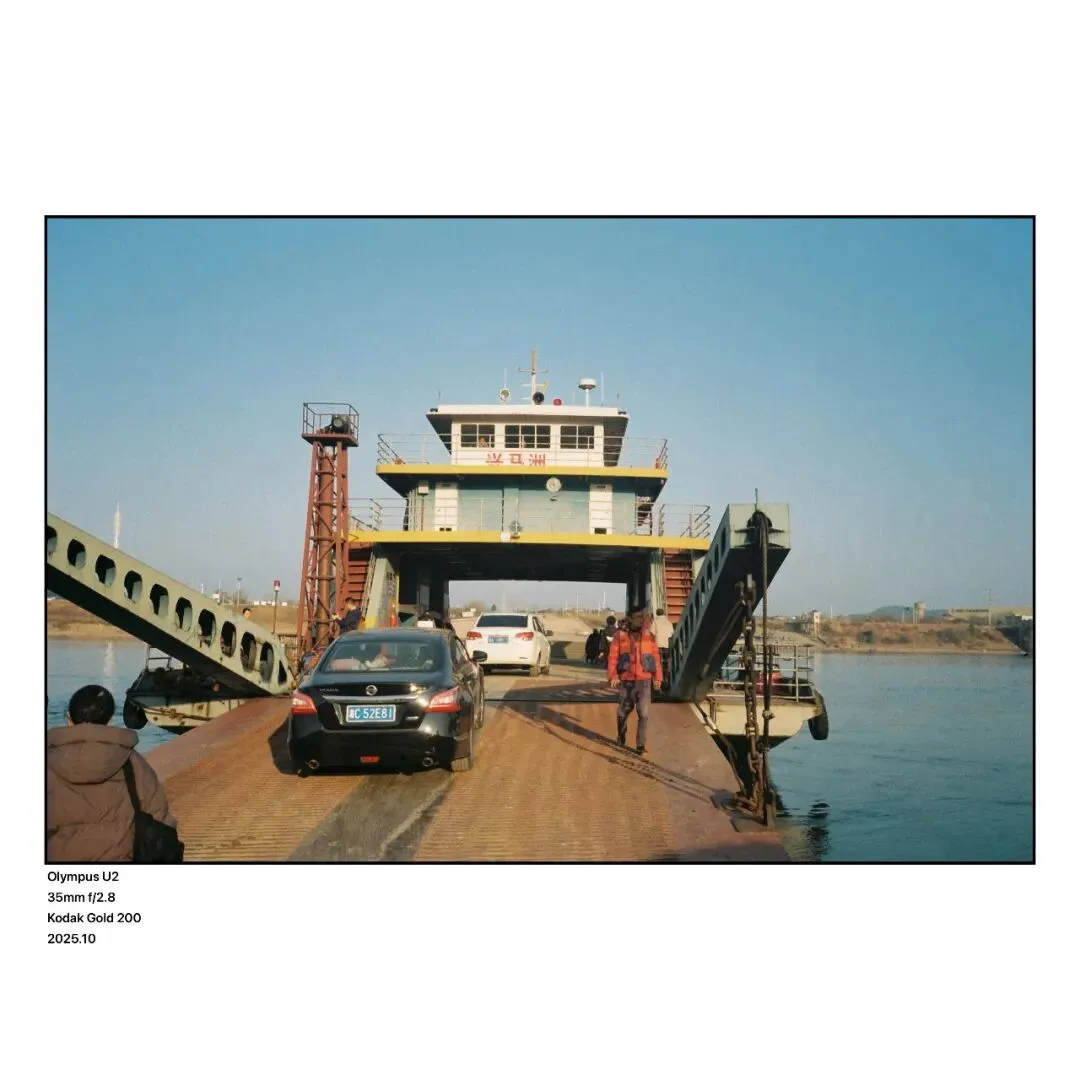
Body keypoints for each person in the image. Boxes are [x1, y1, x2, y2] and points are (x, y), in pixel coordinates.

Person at [47, 685, 177, 862]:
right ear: (110, 720)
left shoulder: (48, 762)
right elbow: (159, 816)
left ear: (69, 718)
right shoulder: (131, 762)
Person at [607, 610, 662, 755]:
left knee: (644, 714)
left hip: (644, 680)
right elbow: (613, 657)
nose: (642, 621)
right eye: (639, 618)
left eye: (643, 618)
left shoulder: (649, 636)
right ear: (631, 619)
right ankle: (621, 736)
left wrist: (658, 678)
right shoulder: (619, 636)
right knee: (622, 713)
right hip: (627, 680)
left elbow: (655, 658)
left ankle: (640, 746)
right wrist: (612, 676)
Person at [652, 607, 675, 687]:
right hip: (667, 644)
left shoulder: (655, 622)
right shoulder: (668, 622)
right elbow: (672, 633)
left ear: (657, 614)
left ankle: (659, 681)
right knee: (666, 663)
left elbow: (652, 632)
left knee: (659, 663)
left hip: (658, 644)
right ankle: (666, 679)